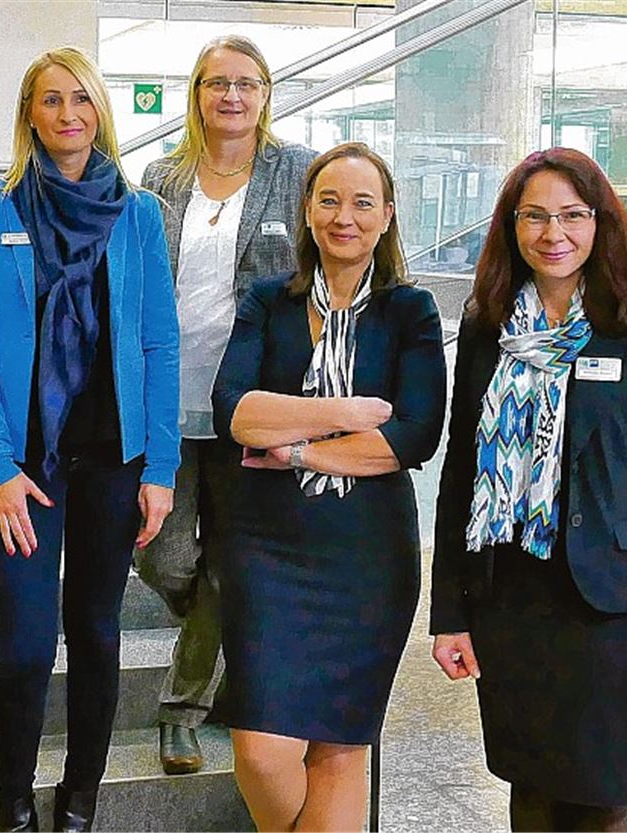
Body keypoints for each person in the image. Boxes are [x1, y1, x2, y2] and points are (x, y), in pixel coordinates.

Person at [0, 46, 180, 833]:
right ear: (30, 115)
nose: (68, 114)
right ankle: (14, 799)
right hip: (27, 467)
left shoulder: (139, 212)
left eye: (81, 99)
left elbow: (160, 342)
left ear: (101, 110)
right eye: (50, 101)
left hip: (115, 459)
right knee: (22, 645)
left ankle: (79, 799)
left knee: (97, 633)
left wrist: (162, 465)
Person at [211, 142, 446, 831]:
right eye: (330, 200)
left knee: (341, 749)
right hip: (268, 551)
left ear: (388, 215)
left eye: (363, 202)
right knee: (260, 749)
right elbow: (237, 413)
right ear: (307, 210)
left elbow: (414, 435)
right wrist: (343, 414)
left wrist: (294, 446)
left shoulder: (412, 311)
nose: (345, 217)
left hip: (367, 559)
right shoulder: (266, 301)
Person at [430, 147, 627, 832]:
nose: (552, 234)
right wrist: (449, 611)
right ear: (510, 226)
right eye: (534, 217)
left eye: (571, 215)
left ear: (601, 222)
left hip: (615, 603)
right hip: (512, 594)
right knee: (529, 785)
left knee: (601, 791)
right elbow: (462, 472)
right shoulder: (486, 325)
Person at [137, 34, 316, 775]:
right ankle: (233, 640)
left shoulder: (299, 171)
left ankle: (181, 708)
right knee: (163, 555)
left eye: (247, 84)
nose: (232, 97)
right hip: (167, 399)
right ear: (197, 93)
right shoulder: (160, 176)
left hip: (255, 402)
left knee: (228, 562)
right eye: (217, 83)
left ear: (267, 94)